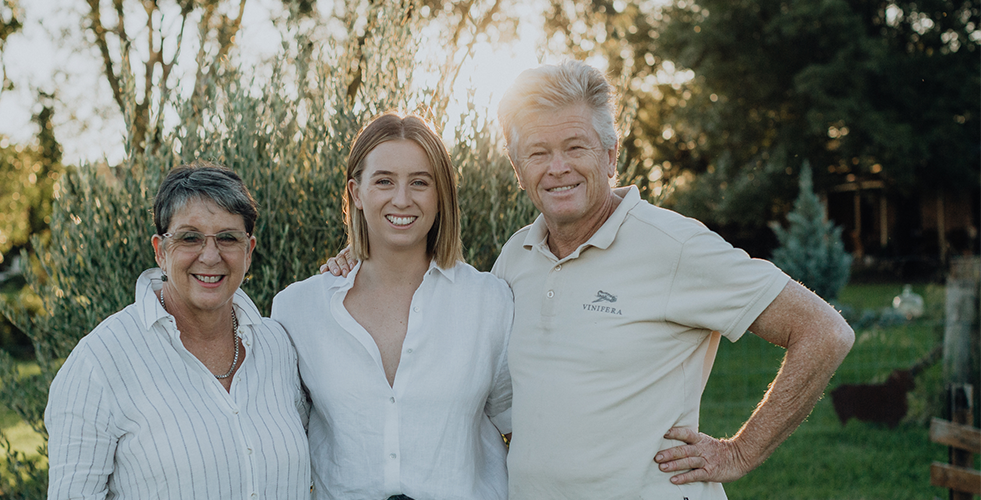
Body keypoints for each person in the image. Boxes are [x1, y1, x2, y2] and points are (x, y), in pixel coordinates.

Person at [325, 62, 854, 499]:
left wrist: (738, 452)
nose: (557, 168)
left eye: (575, 147)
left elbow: (825, 332)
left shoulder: (674, 247)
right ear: (517, 167)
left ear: (610, 154)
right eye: (537, 152)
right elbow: (452, 317)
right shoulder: (517, 257)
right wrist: (366, 259)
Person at [272, 113, 514, 500]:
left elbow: (521, 425)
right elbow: (273, 437)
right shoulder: (297, 309)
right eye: (384, 181)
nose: (402, 199)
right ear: (356, 192)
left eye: (420, 182)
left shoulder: (489, 302)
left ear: (441, 195)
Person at [45, 161, 310, 499]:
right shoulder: (99, 363)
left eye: (228, 238)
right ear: (160, 251)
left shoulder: (278, 347)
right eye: (190, 238)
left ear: (249, 251)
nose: (211, 256)